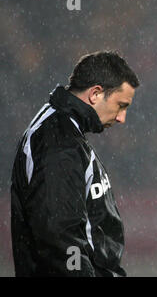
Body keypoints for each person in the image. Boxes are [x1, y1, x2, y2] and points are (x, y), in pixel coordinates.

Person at [10, 51, 140, 276]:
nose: (122, 118)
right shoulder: (59, 141)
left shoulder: (61, 127)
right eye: (121, 105)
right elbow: (60, 238)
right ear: (96, 94)